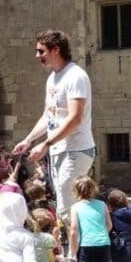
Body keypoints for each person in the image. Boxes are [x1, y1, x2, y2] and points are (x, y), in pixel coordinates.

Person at [12, 30, 95, 229]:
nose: (37, 56)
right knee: (65, 208)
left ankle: (79, 256)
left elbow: (75, 118)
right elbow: (49, 116)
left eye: (41, 51)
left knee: (67, 208)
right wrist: (29, 139)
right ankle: (79, 254)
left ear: (55, 49)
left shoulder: (75, 76)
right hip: (60, 150)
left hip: (76, 149)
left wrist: (46, 144)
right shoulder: (52, 78)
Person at [69, 176, 112, 262]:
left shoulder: (75, 207)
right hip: (102, 243)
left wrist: (73, 250)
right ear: (93, 188)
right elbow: (109, 224)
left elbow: (74, 230)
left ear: (76, 190)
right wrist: (101, 234)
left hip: (86, 244)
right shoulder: (102, 204)